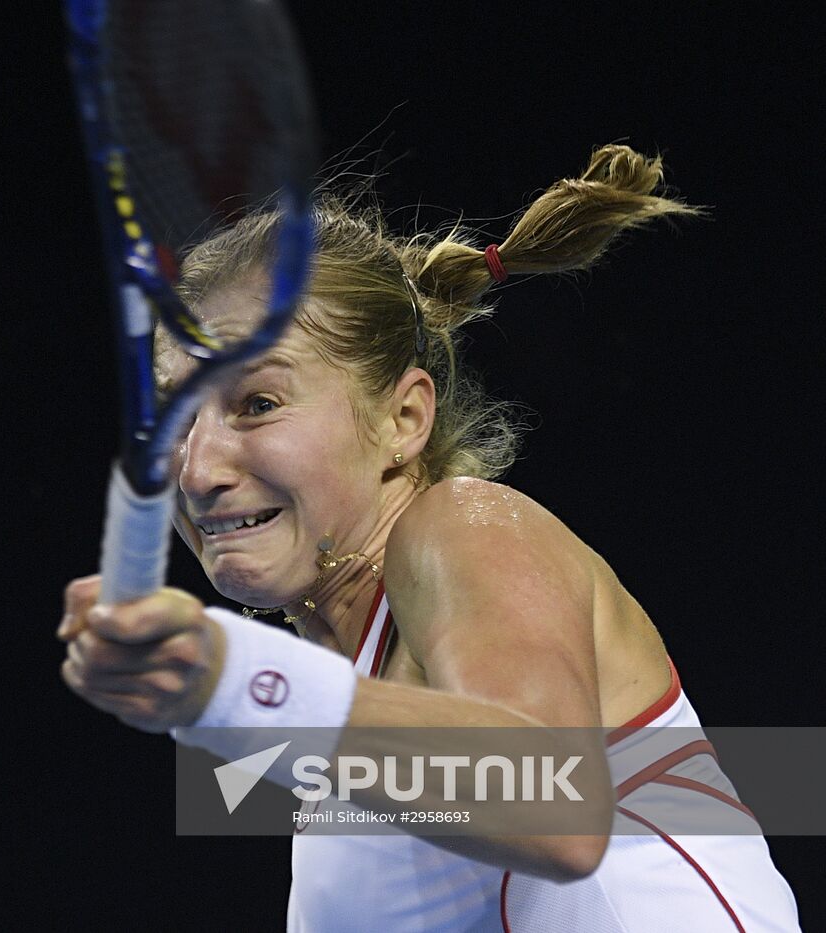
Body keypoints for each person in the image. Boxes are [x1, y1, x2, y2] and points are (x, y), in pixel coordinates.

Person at [58, 144, 801, 931]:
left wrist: (230, 677)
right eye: (176, 414)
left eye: (258, 403)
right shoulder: (348, 755)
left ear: (404, 419)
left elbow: (556, 807)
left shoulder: (465, 527)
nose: (198, 467)